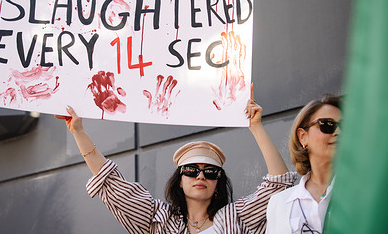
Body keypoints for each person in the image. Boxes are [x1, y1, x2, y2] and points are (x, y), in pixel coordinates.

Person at [55, 86, 296, 233]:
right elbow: (113, 184)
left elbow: (279, 186)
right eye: (191, 170)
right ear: (179, 180)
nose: (201, 175)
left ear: (217, 182)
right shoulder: (158, 221)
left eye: (210, 172)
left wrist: (255, 127)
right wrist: (78, 131)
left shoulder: (238, 217)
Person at [265, 94, 341, 234]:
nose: (339, 132)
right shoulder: (280, 203)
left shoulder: (364, 192)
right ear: (303, 137)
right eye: (327, 125)